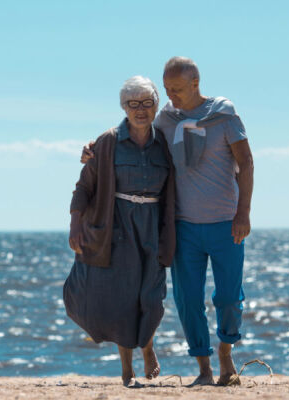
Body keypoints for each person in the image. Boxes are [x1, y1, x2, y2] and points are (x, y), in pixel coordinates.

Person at [81, 57, 254, 386]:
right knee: (187, 300)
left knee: (229, 297)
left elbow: (246, 162)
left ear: (195, 83)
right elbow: (131, 127)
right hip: (184, 227)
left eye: (176, 90)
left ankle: (226, 353)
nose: (171, 96)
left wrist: (243, 212)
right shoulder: (166, 119)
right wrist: (96, 146)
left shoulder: (224, 114)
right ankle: (203, 369)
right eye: (167, 90)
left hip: (225, 223)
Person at [63, 76, 176, 387]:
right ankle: (127, 368)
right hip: (119, 227)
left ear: (156, 105)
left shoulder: (163, 142)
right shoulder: (108, 142)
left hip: (152, 225)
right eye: (132, 104)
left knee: (152, 298)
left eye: (146, 103)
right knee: (124, 300)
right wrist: (75, 222)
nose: (140, 109)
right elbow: (84, 187)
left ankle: (148, 346)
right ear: (124, 108)